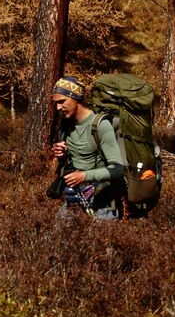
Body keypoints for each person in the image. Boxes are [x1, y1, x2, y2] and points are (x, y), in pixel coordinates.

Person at [51, 76, 124, 220]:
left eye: (61, 101)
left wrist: (83, 176)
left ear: (76, 98)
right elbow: (80, 156)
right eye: (55, 103)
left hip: (102, 203)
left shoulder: (100, 126)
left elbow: (118, 169)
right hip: (74, 197)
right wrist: (63, 154)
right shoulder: (66, 123)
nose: (58, 107)